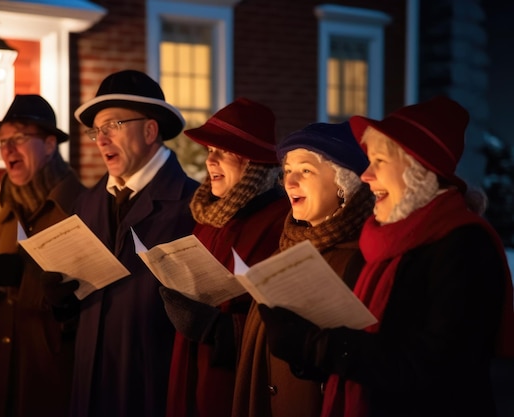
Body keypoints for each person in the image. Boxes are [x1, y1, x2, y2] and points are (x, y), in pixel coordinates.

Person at [258, 96, 514, 417]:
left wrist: (316, 345)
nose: (366, 176)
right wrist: (303, 351)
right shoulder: (388, 240)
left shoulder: (464, 245)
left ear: (417, 169)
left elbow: (433, 366)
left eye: (379, 161)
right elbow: (364, 355)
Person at [41, 69, 199, 417]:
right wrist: (64, 303)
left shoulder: (192, 205)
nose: (100, 139)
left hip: (149, 386)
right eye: (96, 130)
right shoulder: (87, 202)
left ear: (149, 130)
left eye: (112, 125)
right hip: (90, 383)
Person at [0, 94, 86, 417]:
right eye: (2, 142)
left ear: (50, 144)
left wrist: (26, 276)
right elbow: (0, 292)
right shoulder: (3, 208)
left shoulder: (80, 207)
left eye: (20, 138)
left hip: (48, 377)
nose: (8, 149)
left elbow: (85, 301)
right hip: (1, 370)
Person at [158, 97, 291, 417]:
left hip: (231, 381)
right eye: (209, 152)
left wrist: (220, 329)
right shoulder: (208, 216)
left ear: (253, 165)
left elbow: (283, 319)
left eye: (223, 153)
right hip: (191, 366)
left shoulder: (280, 223)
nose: (210, 161)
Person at [232, 121, 374, 417]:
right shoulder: (283, 248)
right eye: (287, 172)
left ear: (343, 182)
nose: (290, 182)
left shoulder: (361, 259)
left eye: (305, 170)